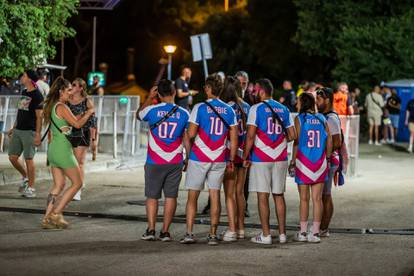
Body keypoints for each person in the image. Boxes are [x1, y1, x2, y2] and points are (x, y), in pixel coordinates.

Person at [180, 74, 238, 246]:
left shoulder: (199, 107)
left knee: (193, 196)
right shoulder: (229, 110)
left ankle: (189, 233)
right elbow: (233, 139)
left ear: (208, 88)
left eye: (206, 87)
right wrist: (232, 160)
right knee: (215, 196)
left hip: (199, 157)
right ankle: (212, 235)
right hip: (220, 157)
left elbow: (190, 134)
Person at [242, 78, 296, 245]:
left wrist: (245, 156)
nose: (254, 92)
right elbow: (292, 135)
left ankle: (265, 235)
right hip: (280, 157)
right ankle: (282, 234)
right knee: (279, 195)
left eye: (256, 90)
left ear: (262, 91)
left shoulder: (255, 109)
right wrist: (279, 142)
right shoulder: (284, 109)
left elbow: (250, 135)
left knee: (262, 196)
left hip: (261, 157)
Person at [137, 79, 190, 241]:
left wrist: (148, 98)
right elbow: (186, 138)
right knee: (171, 197)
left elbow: (138, 115)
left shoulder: (151, 110)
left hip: (154, 160)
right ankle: (165, 232)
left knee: (152, 197)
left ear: (158, 94)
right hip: (175, 160)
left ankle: (151, 230)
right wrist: (188, 157)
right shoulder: (184, 113)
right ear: (174, 93)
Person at [41, 77, 95, 229]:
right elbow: (77, 124)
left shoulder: (53, 106)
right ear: (61, 91)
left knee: (58, 185)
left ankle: (46, 219)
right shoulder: (62, 107)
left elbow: (69, 123)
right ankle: (55, 214)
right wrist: (89, 112)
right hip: (63, 151)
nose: (71, 93)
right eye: (68, 90)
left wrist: (81, 115)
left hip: (53, 150)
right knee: (77, 183)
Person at [290, 93, 331, 243]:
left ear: (303, 103)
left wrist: (292, 161)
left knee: (304, 199)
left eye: (298, 102)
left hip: (304, 162)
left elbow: (296, 141)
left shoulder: (299, 119)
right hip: (319, 163)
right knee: (317, 199)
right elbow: (330, 140)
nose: (296, 105)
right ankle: (314, 233)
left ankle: (302, 233)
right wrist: (326, 158)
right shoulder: (322, 118)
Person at [219, 76, 250, 241]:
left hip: (229, 154)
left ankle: (232, 228)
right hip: (243, 153)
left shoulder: (224, 108)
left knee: (229, 194)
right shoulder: (247, 107)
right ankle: (241, 229)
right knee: (240, 193)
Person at [8, 70, 44, 198]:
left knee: (29, 159)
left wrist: (38, 134)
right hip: (19, 130)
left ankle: (32, 188)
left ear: (29, 79)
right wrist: (14, 127)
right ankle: (25, 176)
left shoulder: (38, 96)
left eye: (23, 75)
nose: (21, 77)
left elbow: (39, 117)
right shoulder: (24, 92)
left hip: (30, 131)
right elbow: (21, 111)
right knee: (12, 157)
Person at [316, 87, 342, 238]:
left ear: (327, 100)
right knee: (324, 195)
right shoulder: (324, 116)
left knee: (325, 195)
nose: (317, 102)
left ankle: (324, 228)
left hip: (330, 160)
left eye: (319, 99)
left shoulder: (331, 118)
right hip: (327, 159)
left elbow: (337, 142)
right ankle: (322, 227)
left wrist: (324, 150)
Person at [67, 78, 97, 201]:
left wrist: (94, 139)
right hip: (68, 133)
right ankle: (77, 183)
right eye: (71, 84)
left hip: (82, 133)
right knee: (70, 162)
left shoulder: (87, 102)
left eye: (74, 85)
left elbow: (93, 122)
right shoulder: (66, 101)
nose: (71, 87)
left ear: (80, 88)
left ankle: (77, 189)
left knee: (79, 162)